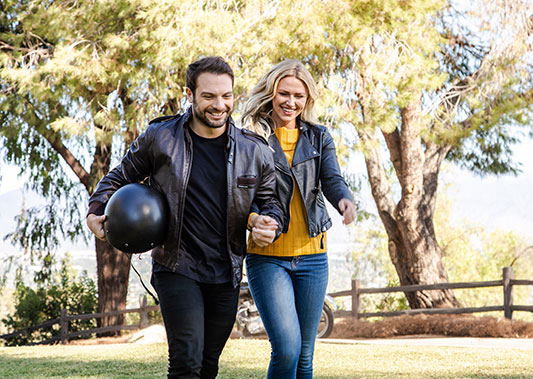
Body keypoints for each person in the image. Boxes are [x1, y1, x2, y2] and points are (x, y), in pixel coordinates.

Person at [86, 56, 284, 379]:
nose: (219, 105)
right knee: (186, 362)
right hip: (177, 265)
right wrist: (96, 209)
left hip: (226, 270)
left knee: (208, 366)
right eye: (209, 96)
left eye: (226, 96)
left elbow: (271, 202)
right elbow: (120, 176)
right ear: (189, 95)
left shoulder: (255, 150)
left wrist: (269, 223)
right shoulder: (161, 138)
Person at [241, 59, 356, 379]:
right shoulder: (251, 138)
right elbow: (238, 193)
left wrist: (344, 200)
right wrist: (252, 219)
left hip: (313, 258)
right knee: (288, 349)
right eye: (284, 93)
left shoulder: (319, 137)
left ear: (308, 100)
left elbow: (332, 179)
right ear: (271, 93)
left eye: (299, 96)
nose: (291, 102)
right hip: (268, 258)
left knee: (305, 356)